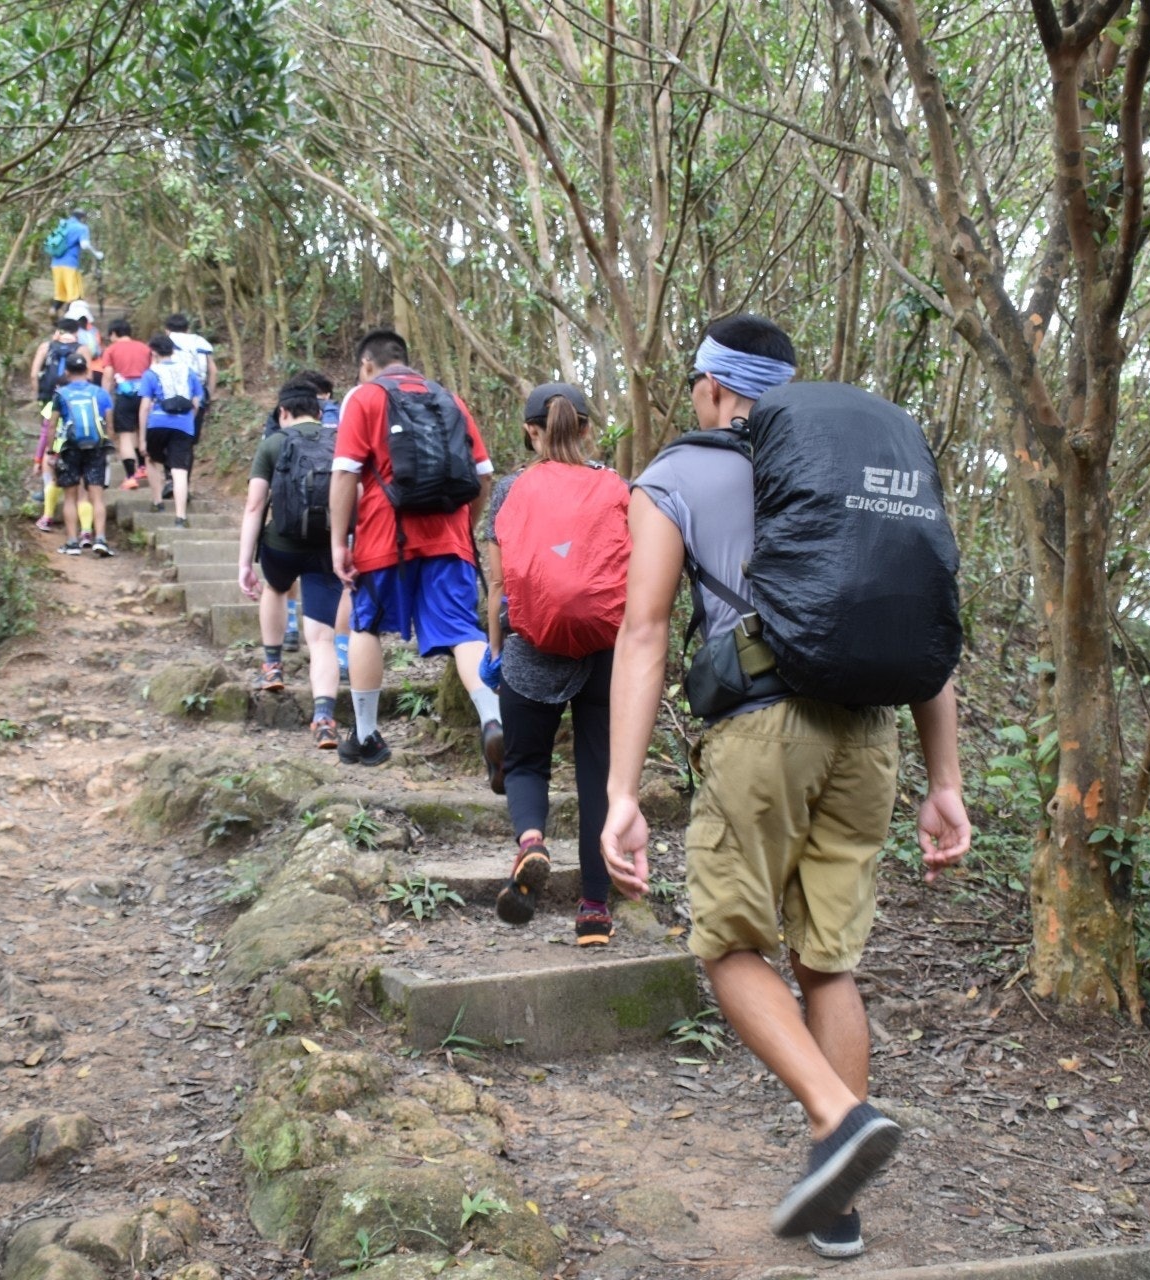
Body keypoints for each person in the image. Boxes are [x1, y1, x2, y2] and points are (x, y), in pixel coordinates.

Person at [601, 315, 972, 1259]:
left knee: (728, 942)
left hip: (762, 730)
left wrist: (621, 790)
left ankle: (836, 1118)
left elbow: (643, 633)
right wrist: (946, 782)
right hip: (870, 734)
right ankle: (838, 1202)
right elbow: (925, 632)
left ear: (718, 391)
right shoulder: (862, 479)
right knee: (828, 961)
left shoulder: (681, 472)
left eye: (697, 384)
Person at [483, 383, 627, 945]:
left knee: (524, 763)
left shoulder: (511, 491)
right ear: (588, 427)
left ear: (530, 430)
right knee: (598, 777)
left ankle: (531, 842)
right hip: (604, 650)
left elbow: (498, 582)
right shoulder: (618, 487)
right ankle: (594, 910)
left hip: (531, 645)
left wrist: (496, 649)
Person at [329, 329, 503, 778]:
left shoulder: (364, 398)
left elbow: (345, 474)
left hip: (384, 538)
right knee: (464, 631)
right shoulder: (450, 399)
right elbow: (483, 476)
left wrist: (338, 542)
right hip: (449, 538)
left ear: (368, 364)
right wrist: (463, 527)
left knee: (365, 625)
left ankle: (366, 735)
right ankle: (494, 718)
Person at [238, 382, 346, 748]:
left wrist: (244, 563)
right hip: (326, 549)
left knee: (276, 587)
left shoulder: (272, 444)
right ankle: (325, 718)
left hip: (281, 546)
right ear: (319, 412)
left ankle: (272, 666)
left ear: (283, 413)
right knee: (321, 639)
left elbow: (255, 506)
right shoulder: (339, 441)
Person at [47, 355, 114, 557]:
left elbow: (52, 425)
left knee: (70, 496)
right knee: (97, 496)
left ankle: (72, 542)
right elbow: (109, 425)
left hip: (70, 447)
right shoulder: (101, 393)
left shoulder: (60, 394)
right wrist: (108, 445)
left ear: (66, 373)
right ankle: (100, 539)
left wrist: (52, 451)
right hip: (96, 447)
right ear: (87, 372)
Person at [29, 317, 90, 531]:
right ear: (77, 331)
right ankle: (85, 530)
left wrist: (39, 396)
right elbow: (88, 375)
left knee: (48, 432)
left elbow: (34, 373)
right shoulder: (82, 348)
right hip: (77, 402)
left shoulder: (46, 346)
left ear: (58, 330)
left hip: (48, 398)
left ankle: (47, 502)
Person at [138, 333, 204, 528]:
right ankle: (180, 516)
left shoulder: (151, 373)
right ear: (173, 350)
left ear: (154, 352)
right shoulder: (188, 371)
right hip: (183, 425)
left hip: (157, 423)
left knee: (151, 458)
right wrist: (188, 421)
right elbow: (196, 400)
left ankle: (158, 502)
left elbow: (144, 406)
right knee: (179, 470)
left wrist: (142, 438)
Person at [99, 319, 153, 489]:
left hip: (125, 395)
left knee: (125, 435)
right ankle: (143, 467)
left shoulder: (111, 349)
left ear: (114, 333)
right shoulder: (145, 348)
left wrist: (103, 398)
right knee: (140, 430)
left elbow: (108, 375)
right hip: (145, 394)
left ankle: (130, 476)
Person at [164, 313, 216, 435]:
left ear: (167, 330)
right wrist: (209, 396)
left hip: (172, 394)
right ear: (187, 329)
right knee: (191, 434)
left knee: (173, 435)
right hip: (199, 392)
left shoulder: (166, 342)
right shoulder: (200, 341)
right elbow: (213, 370)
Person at [48, 208, 98, 316]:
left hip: (55, 264)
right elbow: (84, 245)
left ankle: (53, 311)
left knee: (60, 295)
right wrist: (96, 253)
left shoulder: (63, 225)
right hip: (70, 264)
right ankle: (69, 321)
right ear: (83, 218)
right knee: (75, 296)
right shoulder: (82, 228)